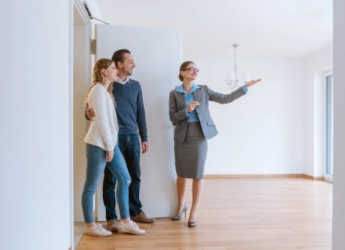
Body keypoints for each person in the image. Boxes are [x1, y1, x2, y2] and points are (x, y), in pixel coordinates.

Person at [169, 61, 261, 227]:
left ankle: (194, 211)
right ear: (182, 72)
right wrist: (186, 110)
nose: (195, 71)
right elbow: (172, 117)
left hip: (199, 135)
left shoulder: (203, 90)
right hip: (182, 136)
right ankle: (180, 206)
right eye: (191, 69)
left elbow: (225, 99)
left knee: (197, 173)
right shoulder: (174, 93)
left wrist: (244, 88)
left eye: (197, 69)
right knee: (181, 173)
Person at [86, 50, 154, 233]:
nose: (134, 64)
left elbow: (141, 112)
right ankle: (111, 219)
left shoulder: (135, 85)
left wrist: (144, 137)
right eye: (130, 61)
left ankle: (134, 212)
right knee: (111, 179)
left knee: (133, 176)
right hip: (112, 138)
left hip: (132, 136)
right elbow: (94, 110)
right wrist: (87, 114)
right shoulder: (106, 86)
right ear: (119, 64)